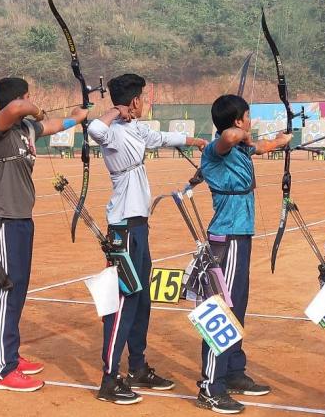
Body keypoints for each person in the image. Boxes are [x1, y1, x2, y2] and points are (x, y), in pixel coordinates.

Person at [87, 73, 207, 405]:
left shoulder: (136, 129)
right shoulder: (112, 131)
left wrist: (196, 141)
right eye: (141, 98)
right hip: (123, 228)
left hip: (139, 227)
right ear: (133, 101)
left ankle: (137, 367)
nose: (145, 103)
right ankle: (109, 379)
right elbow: (94, 129)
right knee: (123, 302)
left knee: (141, 300)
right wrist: (117, 110)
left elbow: (161, 137)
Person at [0, 77, 89, 392]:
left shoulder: (26, 130)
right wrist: (35, 109)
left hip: (22, 220)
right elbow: (18, 108)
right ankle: (4, 370)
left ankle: (10, 355)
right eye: (28, 96)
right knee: (6, 289)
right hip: (2, 220)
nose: (31, 101)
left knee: (19, 290)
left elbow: (56, 125)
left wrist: (80, 116)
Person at [196, 94, 292, 414]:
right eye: (247, 116)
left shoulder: (240, 148)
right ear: (238, 121)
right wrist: (244, 134)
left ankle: (234, 371)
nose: (250, 122)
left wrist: (281, 140)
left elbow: (260, 147)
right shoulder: (217, 149)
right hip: (228, 238)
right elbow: (229, 137)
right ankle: (211, 386)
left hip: (241, 236)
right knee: (222, 310)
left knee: (238, 306)